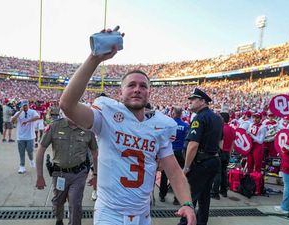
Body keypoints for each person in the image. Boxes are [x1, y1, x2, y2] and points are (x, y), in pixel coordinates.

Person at [59, 29, 196, 225]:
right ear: (121, 91)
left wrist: (187, 203)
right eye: (131, 85)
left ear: (149, 92)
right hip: (110, 213)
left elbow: (173, 171)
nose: (137, 89)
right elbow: (67, 105)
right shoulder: (106, 114)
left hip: (143, 214)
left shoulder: (161, 124)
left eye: (143, 86)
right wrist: (94, 58)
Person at [35, 117, 98, 225]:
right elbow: (41, 150)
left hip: (79, 174)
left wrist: (96, 174)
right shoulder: (54, 126)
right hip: (59, 174)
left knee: (75, 203)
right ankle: (59, 220)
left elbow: (95, 152)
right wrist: (40, 176)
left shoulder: (87, 128)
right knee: (58, 202)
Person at [181, 88, 222, 225]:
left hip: (201, 163)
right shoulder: (217, 118)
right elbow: (221, 142)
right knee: (205, 197)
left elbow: (193, 145)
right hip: (213, 160)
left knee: (189, 198)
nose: (190, 102)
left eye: (193, 99)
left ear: (203, 101)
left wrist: (186, 167)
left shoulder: (200, 117)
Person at [159, 106, 188, 205]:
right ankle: (176, 199)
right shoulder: (185, 125)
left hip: (168, 152)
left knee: (164, 175)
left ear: (174, 113)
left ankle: (162, 195)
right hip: (180, 152)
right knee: (178, 175)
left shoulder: (168, 124)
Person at [11, 100, 39, 174]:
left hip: (30, 136)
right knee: (21, 152)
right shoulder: (18, 113)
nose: (25, 107)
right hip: (20, 136)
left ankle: (31, 160)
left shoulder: (32, 112)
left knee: (30, 150)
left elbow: (37, 117)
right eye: (23, 105)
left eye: (26, 105)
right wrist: (20, 112)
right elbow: (12, 120)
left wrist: (27, 121)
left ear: (28, 105)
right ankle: (22, 166)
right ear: (21, 106)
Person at [211, 112, 235, 200]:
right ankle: (224, 191)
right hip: (227, 153)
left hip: (220, 152)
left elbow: (219, 142)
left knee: (218, 173)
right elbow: (233, 143)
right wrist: (230, 153)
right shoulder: (232, 129)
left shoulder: (220, 128)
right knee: (224, 172)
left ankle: (215, 192)